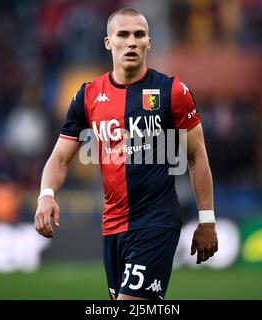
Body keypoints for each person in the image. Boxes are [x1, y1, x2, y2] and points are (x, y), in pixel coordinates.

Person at [34, 7, 218, 300]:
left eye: (139, 35)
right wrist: (46, 195)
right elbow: (59, 157)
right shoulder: (88, 96)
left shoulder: (172, 92)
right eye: (123, 35)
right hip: (113, 226)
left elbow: (197, 157)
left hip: (157, 222)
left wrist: (206, 219)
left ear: (149, 42)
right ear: (109, 42)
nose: (131, 42)